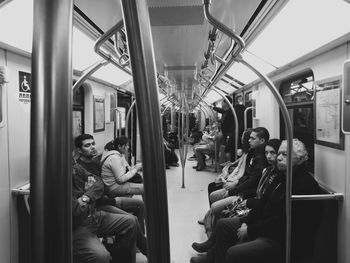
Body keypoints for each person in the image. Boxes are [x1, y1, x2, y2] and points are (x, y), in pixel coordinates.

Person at [191, 139, 322, 263]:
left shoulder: (304, 185)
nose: (279, 158)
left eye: (285, 154)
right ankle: (214, 259)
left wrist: (251, 230)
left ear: (299, 160)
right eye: (280, 154)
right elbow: (263, 203)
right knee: (223, 225)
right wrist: (247, 222)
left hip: (281, 238)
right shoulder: (281, 177)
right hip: (264, 223)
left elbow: (282, 221)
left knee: (234, 253)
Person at [73, 134, 139, 263]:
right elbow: (77, 207)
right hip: (99, 205)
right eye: (88, 145)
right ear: (79, 151)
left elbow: (99, 184)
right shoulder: (75, 168)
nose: (92, 147)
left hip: (97, 205)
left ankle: (128, 251)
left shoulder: (86, 165)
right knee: (135, 211)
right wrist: (91, 195)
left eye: (93, 144)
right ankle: (135, 248)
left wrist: (87, 195)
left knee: (132, 219)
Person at [212, 97, 246, 161]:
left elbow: (230, 125)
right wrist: (214, 107)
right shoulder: (226, 111)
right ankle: (217, 158)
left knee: (226, 150)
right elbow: (222, 111)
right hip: (226, 135)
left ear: (226, 103)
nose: (221, 103)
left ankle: (219, 159)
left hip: (228, 135)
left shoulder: (231, 112)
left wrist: (227, 135)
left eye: (222, 102)